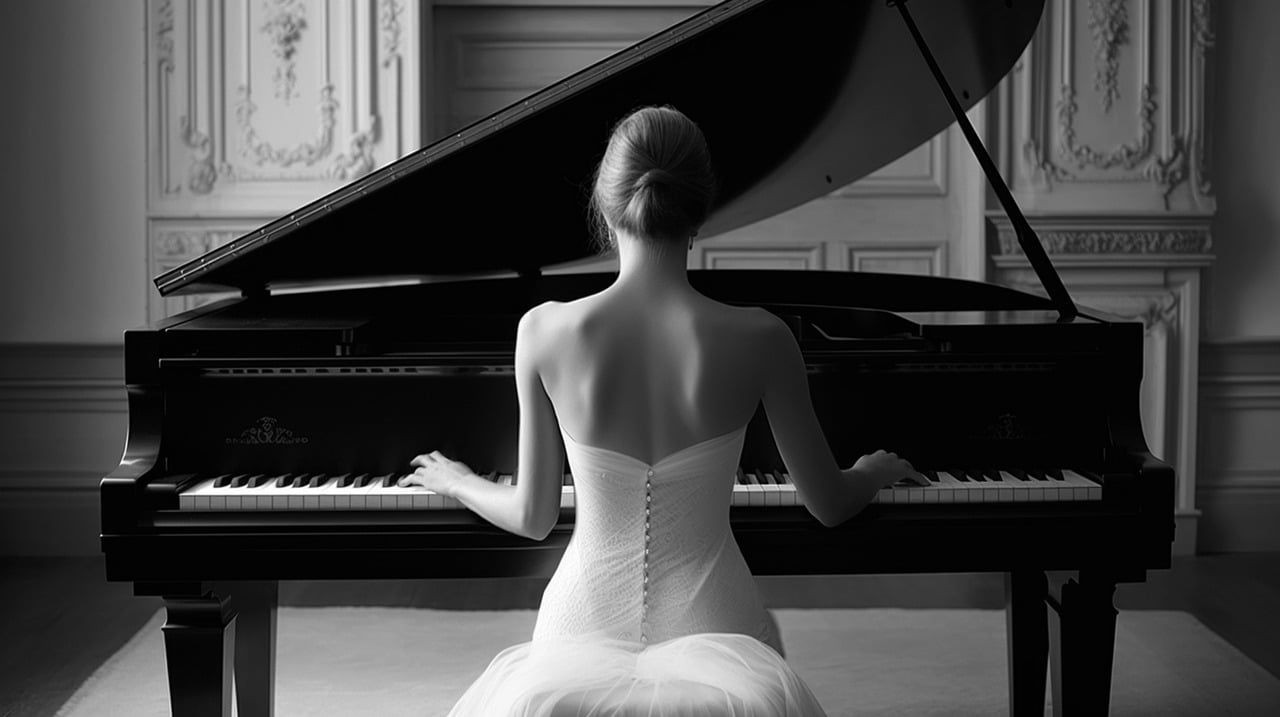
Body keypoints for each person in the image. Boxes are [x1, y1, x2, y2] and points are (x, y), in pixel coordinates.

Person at [401, 105, 927, 716]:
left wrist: (460, 481)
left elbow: (534, 515)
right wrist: (871, 471)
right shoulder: (763, 337)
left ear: (604, 205)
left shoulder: (542, 330)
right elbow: (830, 505)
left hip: (581, 619)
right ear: (700, 213)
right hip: (715, 620)